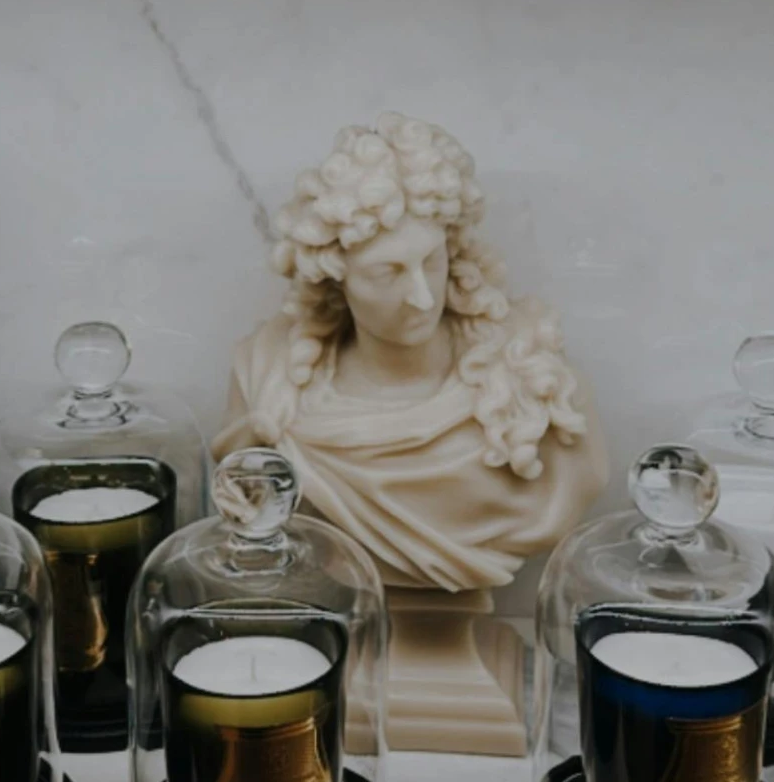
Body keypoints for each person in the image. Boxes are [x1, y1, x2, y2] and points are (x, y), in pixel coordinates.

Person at [218, 111, 606, 595]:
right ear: (336, 279)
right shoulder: (268, 390)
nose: (422, 297)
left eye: (433, 263)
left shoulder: (535, 387)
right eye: (388, 274)